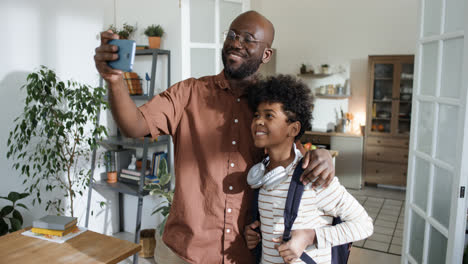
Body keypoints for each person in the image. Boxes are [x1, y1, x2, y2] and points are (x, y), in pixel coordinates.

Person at [94, 10, 336, 264]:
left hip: (246, 255)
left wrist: (321, 155)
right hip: (185, 253)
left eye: (247, 38)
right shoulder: (188, 93)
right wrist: (114, 80)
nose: (235, 43)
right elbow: (134, 125)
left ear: (266, 54)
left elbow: (292, 161)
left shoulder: (271, 110)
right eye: (231, 35)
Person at [244, 75, 373, 264]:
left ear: (293, 129)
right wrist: (255, 234)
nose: (258, 122)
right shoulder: (263, 177)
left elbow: (364, 225)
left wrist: (309, 236)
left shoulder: (312, 177)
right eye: (257, 115)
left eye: (269, 115)